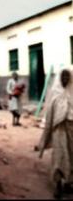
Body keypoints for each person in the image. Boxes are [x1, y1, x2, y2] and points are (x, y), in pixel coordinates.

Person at [37, 67, 73, 199]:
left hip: (71, 129)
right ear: (59, 78)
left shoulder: (72, 91)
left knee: (71, 156)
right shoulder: (55, 92)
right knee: (59, 157)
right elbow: (49, 114)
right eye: (63, 77)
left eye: (67, 77)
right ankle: (58, 185)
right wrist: (47, 134)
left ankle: (68, 183)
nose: (65, 79)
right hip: (58, 130)